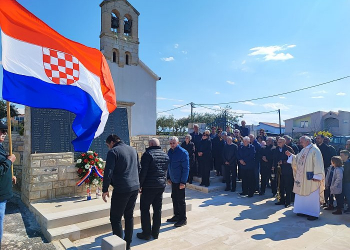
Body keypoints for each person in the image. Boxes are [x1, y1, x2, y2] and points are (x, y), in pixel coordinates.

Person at [102, 134, 140, 250]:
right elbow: (139, 168)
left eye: (108, 145)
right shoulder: (133, 150)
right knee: (129, 216)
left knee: (115, 218)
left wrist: (105, 189)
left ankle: (118, 246)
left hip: (122, 189)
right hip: (134, 187)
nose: (109, 148)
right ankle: (127, 245)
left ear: (112, 142)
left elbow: (108, 172)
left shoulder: (113, 152)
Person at [137, 138, 170, 240]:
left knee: (145, 209)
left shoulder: (148, 154)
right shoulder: (165, 155)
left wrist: (139, 185)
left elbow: (143, 172)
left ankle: (146, 233)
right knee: (157, 210)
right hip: (160, 186)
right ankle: (155, 233)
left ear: (150, 144)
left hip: (149, 186)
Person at [286, 136, 325, 221]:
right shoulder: (304, 150)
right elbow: (297, 159)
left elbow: (319, 163)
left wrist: (317, 176)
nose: (300, 143)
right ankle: (302, 210)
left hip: (311, 178)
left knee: (312, 196)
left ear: (307, 141)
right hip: (301, 178)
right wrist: (291, 156)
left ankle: (313, 213)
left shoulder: (315, 150)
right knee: (300, 194)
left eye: (301, 141)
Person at [167, 136, 189, 227]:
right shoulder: (169, 152)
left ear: (178, 143)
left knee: (180, 200)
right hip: (173, 180)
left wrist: (183, 182)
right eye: (171, 143)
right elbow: (169, 166)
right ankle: (176, 215)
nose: (172, 145)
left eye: (174, 143)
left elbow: (186, 168)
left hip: (180, 181)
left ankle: (183, 219)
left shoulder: (183, 153)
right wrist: (168, 177)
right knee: (174, 198)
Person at [0, 123, 16, 247]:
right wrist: (9, 161)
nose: (4, 134)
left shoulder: (1, 147)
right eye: (1, 131)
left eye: (4, 131)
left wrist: (10, 175)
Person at [274, 138, 295, 208]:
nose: (278, 143)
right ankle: (281, 200)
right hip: (279, 170)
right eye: (278, 142)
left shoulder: (288, 149)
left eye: (280, 142)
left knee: (288, 186)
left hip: (287, 170)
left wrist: (283, 162)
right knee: (280, 186)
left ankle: (288, 201)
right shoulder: (276, 149)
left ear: (284, 142)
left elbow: (293, 159)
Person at [316, 134, 336, 206]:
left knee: (327, 186)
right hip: (317, 169)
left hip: (326, 168)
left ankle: (329, 202)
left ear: (322, 139)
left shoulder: (329, 148)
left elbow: (332, 158)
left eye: (318, 138)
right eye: (316, 138)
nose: (317, 140)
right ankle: (321, 200)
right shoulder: (315, 147)